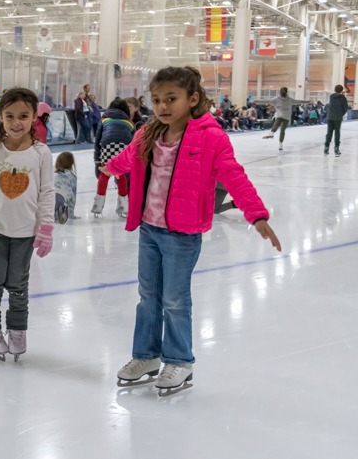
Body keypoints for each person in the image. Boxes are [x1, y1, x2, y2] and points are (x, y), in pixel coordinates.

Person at [102, 66, 281, 396]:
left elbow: (233, 176)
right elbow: (128, 158)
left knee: (174, 299)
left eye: (171, 99)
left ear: (193, 99)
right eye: (156, 100)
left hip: (182, 235)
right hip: (149, 230)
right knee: (147, 297)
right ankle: (146, 356)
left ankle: (180, 361)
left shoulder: (210, 136)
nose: (163, 107)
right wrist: (109, 166)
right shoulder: (148, 133)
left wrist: (256, 214)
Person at [0, 87, 54, 361]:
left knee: (19, 283)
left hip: (25, 232)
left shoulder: (41, 153)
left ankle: (17, 330)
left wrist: (45, 228)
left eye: (23, 115)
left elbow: (47, 192)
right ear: (1, 117)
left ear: (34, 117)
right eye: (9, 116)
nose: (16, 122)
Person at [91, 98, 134, 218]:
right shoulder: (129, 122)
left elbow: (97, 140)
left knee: (104, 175)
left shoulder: (104, 119)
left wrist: (97, 160)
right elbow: (134, 142)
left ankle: (98, 205)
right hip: (124, 149)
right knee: (121, 176)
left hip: (107, 147)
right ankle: (123, 206)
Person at [263, 86, 303, 151]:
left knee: (276, 124)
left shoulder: (277, 99)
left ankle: (272, 133)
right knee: (282, 131)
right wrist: (308, 101)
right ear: (287, 92)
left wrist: (255, 101)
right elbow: (299, 101)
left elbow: (267, 100)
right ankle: (280, 144)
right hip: (286, 116)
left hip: (279, 115)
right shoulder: (290, 99)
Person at [325, 84, 349, 156]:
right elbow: (345, 107)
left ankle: (326, 147)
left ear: (335, 89)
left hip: (330, 117)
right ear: (341, 90)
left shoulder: (331, 97)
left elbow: (328, 106)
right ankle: (336, 148)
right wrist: (341, 114)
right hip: (338, 118)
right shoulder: (343, 98)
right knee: (337, 133)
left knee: (329, 132)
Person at [54, 151, 77, 224]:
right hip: (61, 202)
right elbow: (72, 197)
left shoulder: (52, 175)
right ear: (72, 163)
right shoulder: (72, 176)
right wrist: (71, 214)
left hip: (47, 204)